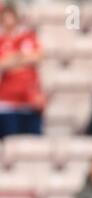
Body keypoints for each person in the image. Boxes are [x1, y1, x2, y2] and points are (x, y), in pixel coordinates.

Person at [0, 5, 45, 138]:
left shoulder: (28, 37)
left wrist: (14, 59)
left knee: (33, 147)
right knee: (10, 144)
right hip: (8, 102)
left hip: (30, 102)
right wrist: (22, 60)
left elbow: (39, 56)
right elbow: (2, 64)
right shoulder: (1, 41)